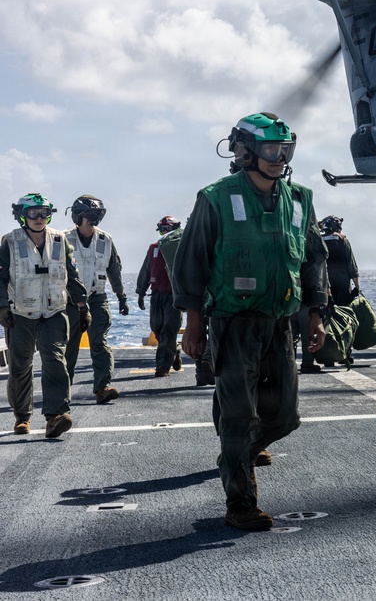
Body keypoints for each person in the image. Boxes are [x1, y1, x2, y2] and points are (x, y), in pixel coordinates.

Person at [172, 111, 328, 531]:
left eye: (284, 149)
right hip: (232, 321)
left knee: (285, 416)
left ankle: (233, 453)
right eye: (269, 149)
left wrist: (315, 314)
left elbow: (312, 261)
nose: (279, 157)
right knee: (240, 416)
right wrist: (193, 323)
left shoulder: (300, 199)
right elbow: (192, 262)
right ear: (243, 152)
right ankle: (241, 503)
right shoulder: (216, 197)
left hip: (279, 324)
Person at [0, 194, 89, 438]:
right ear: (22, 215)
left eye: (43, 213)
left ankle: (56, 416)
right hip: (20, 313)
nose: (39, 218)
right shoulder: (9, 242)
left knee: (55, 361)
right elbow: (0, 278)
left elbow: (73, 274)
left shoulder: (61, 240)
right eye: (33, 213)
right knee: (20, 367)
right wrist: (2, 307)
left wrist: (83, 306)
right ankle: (22, 416)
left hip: (54, 311)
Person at [63, 195, 129, 403]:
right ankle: (63, 392)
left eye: (96, 215)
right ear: (78, 216)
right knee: (69, 347)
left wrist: (121, 296)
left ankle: (103, 387)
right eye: (89, 215)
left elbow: (114, 270)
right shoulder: (62, 239)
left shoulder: (105, 239)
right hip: (69, 302)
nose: (93, 219)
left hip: (97, 297)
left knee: (99, 342)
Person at [299, 215, 359, 373]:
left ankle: (327, 354)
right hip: (342, 282)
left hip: (323, 284)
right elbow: (351, 264)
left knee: (323, 319)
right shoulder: (342, 240)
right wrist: (357, 286)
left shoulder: (318, 239)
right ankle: (344, 352)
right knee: (344, 319)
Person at [136, 216, 184, 377]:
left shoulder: (183, 248)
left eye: (168, 228)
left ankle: (162, 367)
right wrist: (141, 293)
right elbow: (146, 270)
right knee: (157, 329)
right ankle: (175, 349)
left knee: (168, 331)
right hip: (156, 295)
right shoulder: (153, 248)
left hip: (174, 296)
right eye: (162, 229)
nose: (165, 232)